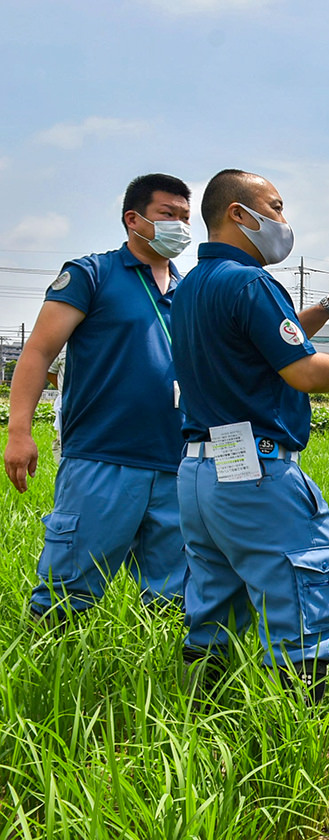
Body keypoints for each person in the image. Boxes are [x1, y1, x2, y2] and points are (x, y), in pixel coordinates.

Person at [171, 169, 329, 701]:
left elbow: (266, 343)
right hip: (256, 473)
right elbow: (303, 372)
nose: (284, 221)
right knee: (299, 591)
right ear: (240, 214)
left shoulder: (193, 286)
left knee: (214, 606)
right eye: (277, 206)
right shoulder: (251, 282)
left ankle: (201, 728)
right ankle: (299, 740)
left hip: (202, 471)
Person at [4, 173, 193, 620]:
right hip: (102, 457)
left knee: (176, 599)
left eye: (186, 217)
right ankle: (45, 682)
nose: (180, 226)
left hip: (177, 461)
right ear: (134, 219)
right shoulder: (92, 273)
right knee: (66, 594)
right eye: (168, 214)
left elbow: (262, 340)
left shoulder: (190, 290)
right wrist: (18, 431)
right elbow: (38, 353)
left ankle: (160, 684)